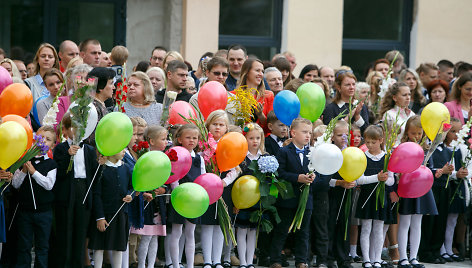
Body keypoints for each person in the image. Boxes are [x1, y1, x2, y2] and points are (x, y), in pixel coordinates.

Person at [50, 113, 98, 268]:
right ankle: (64, 263)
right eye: (73, 127)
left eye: (80, 127)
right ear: (65, 130)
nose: (77, 131)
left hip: (83, 190)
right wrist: (68, 156)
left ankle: (78, 263)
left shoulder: (90, 150)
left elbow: (94, 174)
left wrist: (100, 164)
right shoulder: (60, 149)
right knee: (65, 230)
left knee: (81, 231)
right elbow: (59, 172)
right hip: (67, 193)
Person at [270, 118, 316, 268]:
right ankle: (275, 259)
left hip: (305, 199)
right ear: (293, 133)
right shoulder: (283, 151)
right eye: (304, 132)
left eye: (309, 132)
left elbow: (319, 172)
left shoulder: (312, 153)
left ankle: (301, 260)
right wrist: (297, 178)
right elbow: (280, 172)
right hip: (288, 198)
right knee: (282, 230)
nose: (308, 135)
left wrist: (314, 177)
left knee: (304, 232)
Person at [12, 126, 57, 268]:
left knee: (42, 247)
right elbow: (15, 183)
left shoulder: (51, 164)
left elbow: (49, 185)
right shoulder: (25, 160)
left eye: (48, 139)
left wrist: (34, 172)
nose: (43, 141)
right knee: (24, 246)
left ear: (53, 145)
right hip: (25, 212)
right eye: (41, 137)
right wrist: (24, 171)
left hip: (44, 213)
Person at [397, 116, 437, 268]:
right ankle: (403, 257)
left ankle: (414, 257)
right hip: (407, 189)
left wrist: (437, 172)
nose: (416, 136)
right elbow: (399, 168)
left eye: (419, 133)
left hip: (421, 189)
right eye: (413, 133)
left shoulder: (426, 149)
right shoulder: (403, 147)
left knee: (417, 223)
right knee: (405, 222)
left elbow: (430, 169)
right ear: (407, 132)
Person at [199, 110, 236, 268]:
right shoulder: (204, 144)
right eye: (214, 124)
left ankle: (217, 260)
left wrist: (224, 182)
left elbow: (235, 169)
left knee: (221, 225)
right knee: (207, 225)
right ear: (208, 126)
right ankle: (207, 260)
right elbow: (200, 163)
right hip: (207, 188)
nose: (218, 128)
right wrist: (207, 181)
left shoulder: (229, 145)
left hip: (223, 188)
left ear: (227, 128)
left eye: (221, 125)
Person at [355, 126, 394, 268]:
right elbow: (359, 179)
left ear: (381, 140)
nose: (370, 145)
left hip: (381, 198)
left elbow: (391, 180)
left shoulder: (387, 158)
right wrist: (377, 178)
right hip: (366, 197)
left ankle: (376, 259)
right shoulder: (363, 157)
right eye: (368, 142)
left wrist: (385, 179)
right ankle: (366, 259)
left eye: (373, 142)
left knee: (378, 229)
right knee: (365, 228)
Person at [88, 149, 133, 268]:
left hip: (121, 213)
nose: (124, 152)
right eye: (120, 149)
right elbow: (96, 194)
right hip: (103, 213)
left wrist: (130, 195)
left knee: (118, 246)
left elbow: (132, 187)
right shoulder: (101, 169)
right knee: (99, 245)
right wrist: (100, 217)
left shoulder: (127, 168)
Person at [168, 124, 204, 268]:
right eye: (188, 137)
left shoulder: (199, 158)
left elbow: (202, 177)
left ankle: (189, 265)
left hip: (194, 199)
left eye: (194, 138)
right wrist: (178, 194)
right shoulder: (177, 155)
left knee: (190, 232)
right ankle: (176, 264)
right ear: (179, 139)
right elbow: (174, 177)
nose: (191, 140)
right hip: (180, 197)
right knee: (176, 231)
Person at [134, 126, 168, 268]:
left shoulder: (164, 157)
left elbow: (166, 179)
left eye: (166, 139)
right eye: (163, 139)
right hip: (148, 199)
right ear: (152, 141)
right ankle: (142, 264)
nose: (166, 142)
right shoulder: (145, 157)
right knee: (147, 236)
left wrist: (163, 189)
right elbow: (141, 177)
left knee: (155, 236)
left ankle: (151, 264)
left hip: (158, 200)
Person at [234, 123, 266, 268]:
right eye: (251, 138)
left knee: (253, 231)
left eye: (258, 138)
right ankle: (242, 262)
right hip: (242, 200)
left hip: (257, 200)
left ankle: (249, 262)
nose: (255, 141)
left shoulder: (265, 157)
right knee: (241, 230)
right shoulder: (241, 158)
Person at [327, 120, 356, 268]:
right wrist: (340, 182)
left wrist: (352, 181)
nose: (343, 138)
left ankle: (343, 256)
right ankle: (329, 255)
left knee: (345, 223)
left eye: (346, 134)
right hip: (331, 193)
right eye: (339, 135)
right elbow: (325, 178)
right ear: (332, 136)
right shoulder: (328, 152)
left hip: (346, 192)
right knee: (331, 222)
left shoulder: (350, 152)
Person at [440, 118, 470, 262]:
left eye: (459, 132)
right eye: (452, 131)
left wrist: (464, 173)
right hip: (447, 186)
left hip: (458, 187)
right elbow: (445, 167)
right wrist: (454, 174)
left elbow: (468, 167)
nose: (456, 135)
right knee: (442, 218)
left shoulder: (462, 148)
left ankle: (448, 247)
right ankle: (441, 248)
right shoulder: (443, 148)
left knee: (452, 220)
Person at [85, 67, 116, 146]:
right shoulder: (92, 108)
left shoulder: (99, 104)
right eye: (111, 83)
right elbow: (91, 139)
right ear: (100, 87)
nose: (114, 87)